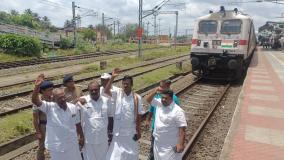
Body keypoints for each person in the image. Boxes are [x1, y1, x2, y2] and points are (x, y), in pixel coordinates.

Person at [32, 74, 85, 160]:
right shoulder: (49, 107)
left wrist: (81, 137)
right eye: (60, 98)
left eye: (63, 97)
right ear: (54, 99)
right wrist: (37, 86)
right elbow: (35, 101)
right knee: (42, 147)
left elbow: (77, 123)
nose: (63, 99)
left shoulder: (72, 107)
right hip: (57, 147)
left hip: (72, 144)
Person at [105, 68, 143, 160]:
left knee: (131, 156)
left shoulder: (137, 98)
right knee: (115, 157)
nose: (125, 86)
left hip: (130, 133)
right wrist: (112, 77)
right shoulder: (117, 94)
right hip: (118, 134)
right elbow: (106, 91)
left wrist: (139, 131)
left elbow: (138, 116)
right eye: (124, 83)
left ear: (131, 85)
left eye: (127, 84)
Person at [146, 88, 187, 160]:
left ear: (171, 98)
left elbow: (182, 129)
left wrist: (180, 144)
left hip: (170, 145)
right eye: (162, 97)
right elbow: (148, 99)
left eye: (166, 98)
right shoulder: (159, 103)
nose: (163, 100)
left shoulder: (178, 111)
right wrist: (155, 91)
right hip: (158, 143)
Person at [78, 80, 114, 160]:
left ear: (99, 89)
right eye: (91, 90)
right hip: (88, 140)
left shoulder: (106, 100)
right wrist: (77, 100)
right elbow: (69, 107)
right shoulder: (82, 100)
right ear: (88, 91)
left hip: (103, 139)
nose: (94, 91)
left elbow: (110, 117)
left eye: (96, 89)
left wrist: (110, 133)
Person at [32, 80, 54, 160]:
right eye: (49, 90)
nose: (52, 91)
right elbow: (35, 118)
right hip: (43, 126)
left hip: (54, 124)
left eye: (52, 89)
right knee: (42, 146)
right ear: (43, 91)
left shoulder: (54, 98)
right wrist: (38, 132)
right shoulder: (38, 102)